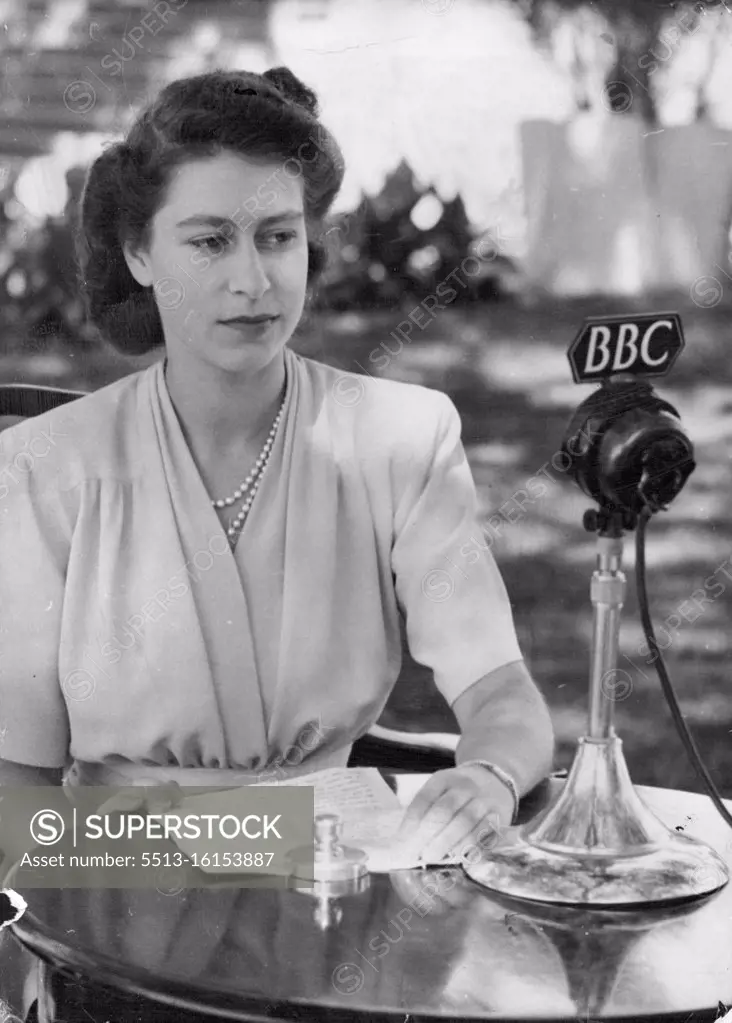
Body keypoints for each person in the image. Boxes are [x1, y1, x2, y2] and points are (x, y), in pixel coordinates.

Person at [0, 66, 553, 864]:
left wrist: (492, 777)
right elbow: (17, 801)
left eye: (277, 236)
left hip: (342, 910)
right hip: (110, 909)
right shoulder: (39, 469)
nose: (252, 282)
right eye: (209, 240)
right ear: (140, 255)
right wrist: (265, 836)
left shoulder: (399, 439)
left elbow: (503, 694)